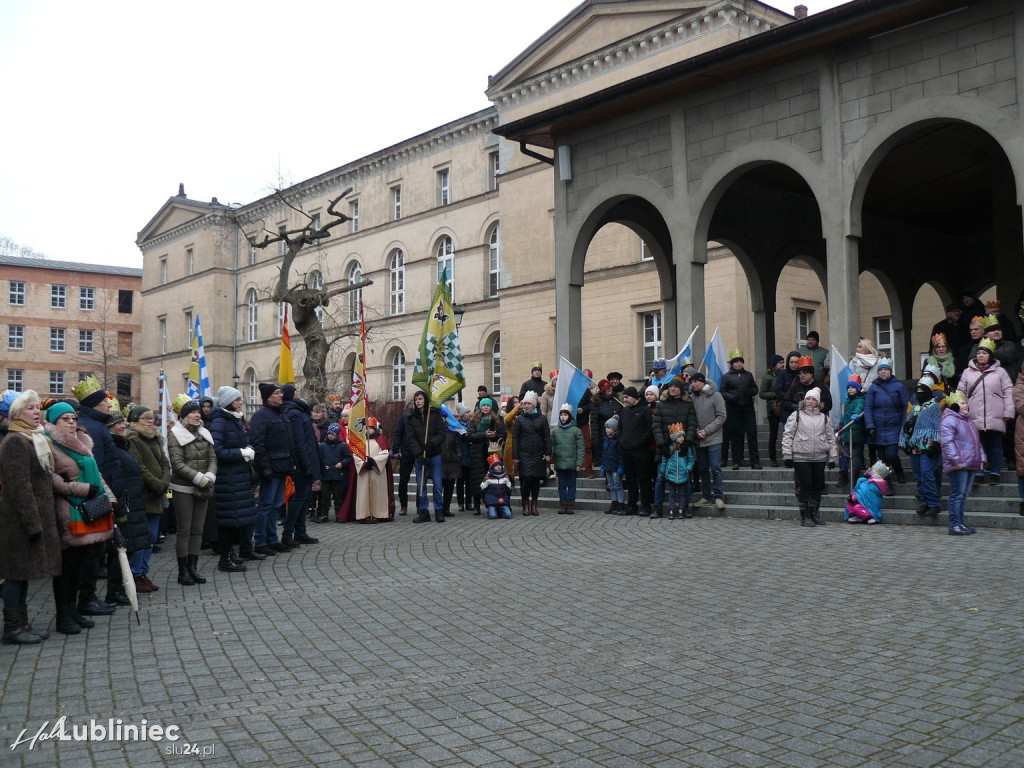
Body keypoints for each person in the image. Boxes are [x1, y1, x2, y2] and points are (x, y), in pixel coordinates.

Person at [46, 399, 116, 634]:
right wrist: (82, 490)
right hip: (69, 510)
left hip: (91, 509)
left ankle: (74, 609)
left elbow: (98, 475)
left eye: (73, 418)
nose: (71, 422)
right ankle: (63, 616)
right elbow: (52, 479)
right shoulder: (49, 444)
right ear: (54, 421)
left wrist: (110, 498)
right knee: (67, 567)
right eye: (65, 419)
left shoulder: (84, 442)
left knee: (81, 565)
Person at [0, 392, 62, 644]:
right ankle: (13, 628)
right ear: (16, 415)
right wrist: (32, 523)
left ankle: (22, 623)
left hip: (34, 516)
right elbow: (19, 487)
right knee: (15, 573)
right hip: (18, 521)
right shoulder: (16, 441)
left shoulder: (34, 438)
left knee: (24, 573)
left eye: (37, 408)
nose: (36, 412)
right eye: (29, 409)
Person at [70, 376, 124, 616]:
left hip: (103, 495)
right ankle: (87, 599)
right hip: (98, 498)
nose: (108, 404)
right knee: (93, 552)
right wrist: (108, 497)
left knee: (97, 550)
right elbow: (98, 467)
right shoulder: (92, 427)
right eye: (104, 400)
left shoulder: (96, 424)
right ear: (94, 404)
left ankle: (89, 598)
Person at [167, 395, 218, 586]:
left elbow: (213, 458)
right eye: (193, 412)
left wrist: (210, 477)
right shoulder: (176, 435)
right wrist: (199, 478)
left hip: (204, 485)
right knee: (184, 530)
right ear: (185, 416)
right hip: (183, 487)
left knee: (198, 530)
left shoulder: (205, 433)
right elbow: (178, 464)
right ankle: (183, 571)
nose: (197, 415)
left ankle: (193, 567)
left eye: (198, 411)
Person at [105, 409, 155, 603]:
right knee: (120, 550)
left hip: (133, 502)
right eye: (118, 424)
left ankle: (118, 589)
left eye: (122, 422)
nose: (122, 426)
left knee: (128, 547)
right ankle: (115, 591)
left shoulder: (121, 446)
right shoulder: (113, 448)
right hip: (125, 504)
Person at [208, 386, 259, 573]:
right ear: (229, 402)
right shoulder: (220, 422)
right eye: (237, 400)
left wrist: (248, 448)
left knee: (236, 519)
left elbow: (241, 441)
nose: (241, 402)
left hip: (238, 478)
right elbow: (217, 451)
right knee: (227, 522)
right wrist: (241, 453)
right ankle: (225, 559)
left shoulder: (234, 420)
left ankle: (230, 555)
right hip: (227, 480)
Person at [956, 339, 1013, 485]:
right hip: (974, 415)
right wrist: (961, 409)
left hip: (995, 415)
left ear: (990, 355)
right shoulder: (967, 372)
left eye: (984, 353)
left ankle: (995, 472)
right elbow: (961, 392)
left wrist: (1008, 411)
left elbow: (1008, 392)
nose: (981, 355)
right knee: (977, 445)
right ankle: (979, 472)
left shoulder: (1000, 372)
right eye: (979, 353)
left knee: (995, 445)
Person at [127, 405, 173, 586]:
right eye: (145, 419)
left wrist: (164, 481)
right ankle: (136, 573)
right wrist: (158, 483)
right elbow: (139, 467)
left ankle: (143, 572)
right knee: (142, 537)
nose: (149, 422)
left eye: (151, 419)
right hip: (144, 495)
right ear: (136, 421)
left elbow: (165, 462)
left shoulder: (156, 439)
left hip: (157, 495)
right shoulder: (133, 440)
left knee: (152, 537)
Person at [782, 387, 838, 527]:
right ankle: (805, 515)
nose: (810, 401)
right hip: (801, 456)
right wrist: (787, 455)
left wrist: (833, 458)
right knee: (805, 485)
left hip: (819, 456)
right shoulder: (796, 415)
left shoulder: (824, 418)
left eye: (813, 399)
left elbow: (831, 439)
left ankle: (814, 512)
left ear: (818, 402)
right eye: (808, 398)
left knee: (818, 486)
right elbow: (788, 435)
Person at [249, 383, 293, 553]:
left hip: (282, 466)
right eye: (277, 393)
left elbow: (288, 442)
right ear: (268, 397)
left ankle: (272, 538)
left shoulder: (282, 414)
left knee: (276, 505)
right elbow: (258, 444)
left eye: (281, 392)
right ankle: (260, 541)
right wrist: (265, 467)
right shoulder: (261, 416)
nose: (281, 395)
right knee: (266, 505)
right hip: (270, 468)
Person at [280, 384, 321, 547]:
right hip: (303, 462)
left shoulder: (298, 410)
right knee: (299, 499)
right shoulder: (294, 413)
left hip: (308, 459)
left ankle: (300, 531)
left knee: (304, 498)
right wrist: (306, 464)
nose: (299, 391)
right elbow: (299, 441)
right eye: (296, 390)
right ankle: (288, 533)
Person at [941, 391, 984, 535]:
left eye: (966, 402)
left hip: (970, 462)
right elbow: (947, 442)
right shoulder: (949, 420)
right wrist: (955, 460)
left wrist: (981, 458)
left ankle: (960, 523)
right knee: (957, 494)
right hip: (960, 464)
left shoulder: (969, 422)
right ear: (954, 406)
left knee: (963, 495)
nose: (966, 405)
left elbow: (977, 443)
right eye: (962, 403)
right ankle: (954, 525)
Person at [863, 358, 909, 485]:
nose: (883, 372)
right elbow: (868, 408)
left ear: (890, 372)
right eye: (881, 370)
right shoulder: (873, 388)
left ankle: (899, 471)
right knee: (882, 459)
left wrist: (904, 423)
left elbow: (906, 406)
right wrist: (870, 426)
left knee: (891, 454)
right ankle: (887, 484)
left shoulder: (899, 386)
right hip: (878, 428)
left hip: (893, 427)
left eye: (886, 370)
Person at [404, 390, 446, 523]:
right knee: (421, 485)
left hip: (434, 454)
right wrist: (418, 453)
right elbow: (410, 438)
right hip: (420, 456)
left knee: (438, 484)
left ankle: (439, 510)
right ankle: (424, 511)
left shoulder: (434, 415)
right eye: (416, 399)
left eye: (420, 399)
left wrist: (431, 444)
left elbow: (441, 434)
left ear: (425, 400)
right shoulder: (410, 417)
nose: (418, 401)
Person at [905, 379, 943, 519]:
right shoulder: (914, 407)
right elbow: (908, 423)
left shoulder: (933, 407)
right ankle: (924, 501)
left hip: (928, 446)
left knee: (927, 474)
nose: (919, 394)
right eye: (917, 392)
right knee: (919, 475)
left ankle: (934, 503)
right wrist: (906, 437)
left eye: (922, 391)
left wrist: (936, 443)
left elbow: (937, 426)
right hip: (915, 446)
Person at [690, 373, 727, 512]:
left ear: (701, 382)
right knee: (702, 468)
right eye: (691, 382)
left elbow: (722, 416)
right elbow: (690, 417)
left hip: (714, 438)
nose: (692, 384)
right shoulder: (692, 398)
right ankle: (706, 495)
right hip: (698, 439)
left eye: (695, 382)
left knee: (715, 467)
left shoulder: (716, 395)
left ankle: (719, 496)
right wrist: (696, 431)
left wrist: (706, 430)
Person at [465, 397, 507, 514]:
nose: (486, 407)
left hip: (492, 452)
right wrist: (484, 435)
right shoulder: (474, 420)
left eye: (488, 405)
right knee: (477, 480)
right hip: (476, 453)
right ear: (480, 407)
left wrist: (494, 435)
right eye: (484, 405)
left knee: (493, 478)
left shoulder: (498, 419)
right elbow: (469, 435)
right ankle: (477, 505)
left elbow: (503, 434)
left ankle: (492, 504)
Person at [720, 349, 760, 470]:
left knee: (752, 434)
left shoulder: (748, 375)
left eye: (740, 362)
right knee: (736, 436)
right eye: (736, 362)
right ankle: (736, 461)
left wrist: (750, 392)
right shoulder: (726, 377)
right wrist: (732, 397)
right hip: (733, 409)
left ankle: (755, 461)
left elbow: (755, 389)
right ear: (732, 364)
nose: (738, 364)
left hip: (748, 408)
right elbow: (723, 392)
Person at [617, 387, 654, 516]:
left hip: (641, 451)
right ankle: (631, 506)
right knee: (630, 479)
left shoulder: (645, 410)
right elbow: (619, 428)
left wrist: (640, 442)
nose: (624, 400)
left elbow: (650, 429)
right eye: (624, 397)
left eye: (627, 397)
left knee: (643, 478)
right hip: (627, 451)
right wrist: (621, 441)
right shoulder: (624, 411)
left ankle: (646, 506)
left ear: (634, 397)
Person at [513, 391, 551, 516]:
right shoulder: (520, 419)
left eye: (529, 403)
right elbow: (515, 439)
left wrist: (548, 453)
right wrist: (515, 456)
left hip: (538, 453)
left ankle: (534, 504)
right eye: (525, 404)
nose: (526, 406)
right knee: (527, 478)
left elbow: (546, 437)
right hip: (524, 453)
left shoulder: (542, 419)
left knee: (536, 480)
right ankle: (525, 503)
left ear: (534, 405)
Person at [353, 418, 394, 523]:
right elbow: (356, 454)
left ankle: (378, 514)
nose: (368, 430)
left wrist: (374, 461)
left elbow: (385, 454)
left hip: (377, 471)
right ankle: (364, 514)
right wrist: (363, 463)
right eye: (367, 428)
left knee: (378, 492)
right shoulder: (361, 440)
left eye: (371, 428)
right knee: (364, 493)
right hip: (364, 471)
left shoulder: (381, 439)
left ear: (375, 429)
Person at [551, 402, 585, 514]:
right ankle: (563, 503)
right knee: (561, 484)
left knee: (571, 484)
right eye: (561, 415)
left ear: (570, 416)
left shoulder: (576, 431)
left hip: (572, 464)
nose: (563, 417)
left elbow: (580, 448)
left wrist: (579, 463)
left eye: (565, 415)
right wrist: (550, 457)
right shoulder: (555, 431)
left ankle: (570, 503)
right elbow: (552, 446)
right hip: (560, 462)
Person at [659, 423, 696, 520]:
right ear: (674, 438)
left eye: (683, 436)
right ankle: (671, 510)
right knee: (671, 493)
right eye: (679, 436)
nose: (682, 438)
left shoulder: (685, 448)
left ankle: (681, 509)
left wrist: (688, 469)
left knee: (682, 493)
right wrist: (663, 471)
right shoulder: (670, 448)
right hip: (671, 474)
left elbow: (691, 460)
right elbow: (664, 460)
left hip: (683, 474)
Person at [318, 423, 352, 522]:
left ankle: (339, 515)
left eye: (332, 434)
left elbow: (348, 457)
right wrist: (323, 465)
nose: (330, 436)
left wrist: (342, 463)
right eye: (329, 433)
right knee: (324, 498)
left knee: (338, 497)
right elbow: (319, 458)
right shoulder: (323, 446)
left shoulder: (342, 446)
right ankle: (323, 515)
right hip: (326, 475)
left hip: (338, 475)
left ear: (337, 434)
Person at [837, 375, 866, 488]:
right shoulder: (847, 401)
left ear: (858, 389)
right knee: (845, 455)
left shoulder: (860, 400)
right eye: (848, 387)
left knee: (857, 454)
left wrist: (856, 414)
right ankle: (844, 475)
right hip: (847, 432)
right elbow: (845, 416)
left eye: (853, 387)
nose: (850, 389)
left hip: (857, 432)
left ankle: (856, 475)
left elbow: (859, 407)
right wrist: (841, 425)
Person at [590, 379, 623, 469]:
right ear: (602, 390)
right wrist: (595, 440)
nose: (609, 389)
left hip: (618, 436)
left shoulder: (616, 399)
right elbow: (594, 423)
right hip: (604, 437)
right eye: (606, 388)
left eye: (610, 387)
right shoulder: (596, 402)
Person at [759, 355, 785, 466]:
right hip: (773, 408)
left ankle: (787, 456)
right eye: (780, 362)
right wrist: (776, 394)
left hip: (785, 406)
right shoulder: (768, 377)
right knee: (773, 434)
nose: (782, 364)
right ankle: (772, 458)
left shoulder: (785, 375)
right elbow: (762, 393)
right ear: (774, 364)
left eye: (783, 362)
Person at [391, 406, 414, 515]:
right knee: (403, 480)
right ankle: (403, 505)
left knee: (420, 480)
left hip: (420, 452)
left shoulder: (426, 416)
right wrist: (396, 449)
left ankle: (420, 506)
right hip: (406, 451)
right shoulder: (405, 416)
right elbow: (398, 432)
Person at [601, 416, 624, 514]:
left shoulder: (618, 440)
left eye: (608, 428)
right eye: (606, 428)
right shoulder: (606, 440)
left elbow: (620, 455)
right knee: (611, 486)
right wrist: (602, 465)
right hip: (608, 466)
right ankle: (614, 503)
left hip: (615, 466)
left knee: (617, 485)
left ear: (614, 429)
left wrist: (620, 466)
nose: (606, 429)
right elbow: (604, 453)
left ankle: (620, 504)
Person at [774, 352, 801, 425]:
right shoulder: (782, 374)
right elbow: (778, 390)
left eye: (796, 362)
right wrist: (789, 397)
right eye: (791, 362)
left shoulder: (802, 374)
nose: (793, 364)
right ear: (788, 363)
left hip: (800, 408)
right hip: (786, 408)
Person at [1012, 358, 1024, 515]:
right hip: (1023, 433)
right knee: (1023, 469)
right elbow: (1021, 406)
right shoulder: (1019, 387)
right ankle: (1023, 501)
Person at [501, 396, 521, 488]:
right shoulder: (507, 415)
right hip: (511, 444)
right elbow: (507, 420)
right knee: (509, 469)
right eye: (515, 402)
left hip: (522, 444)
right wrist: (517, 409)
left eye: (518, 402)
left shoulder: (522, 415)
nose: (518, 404)